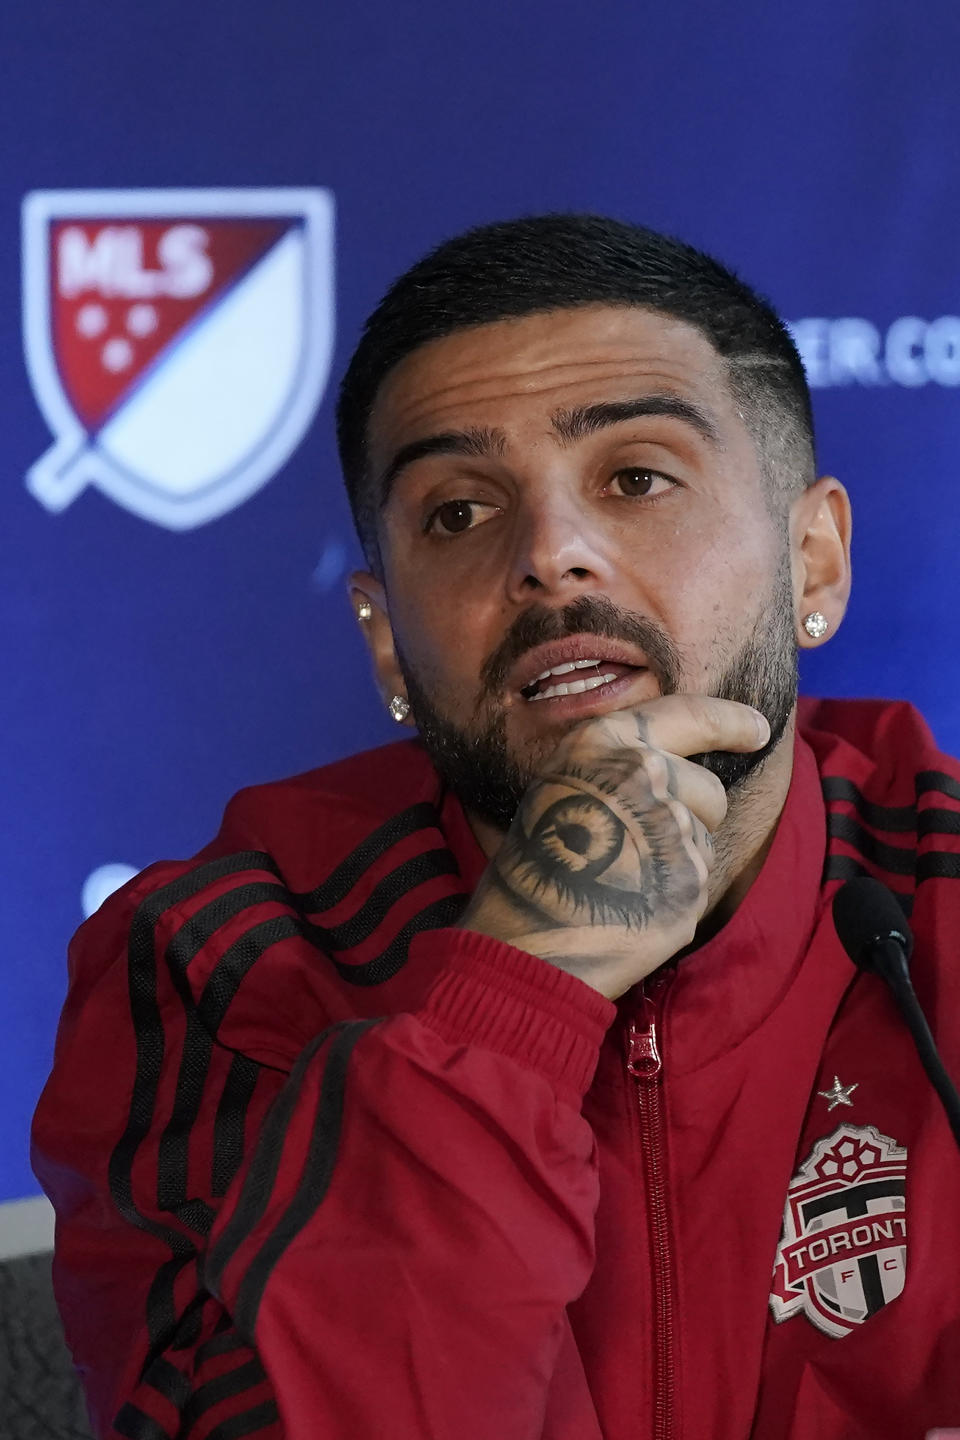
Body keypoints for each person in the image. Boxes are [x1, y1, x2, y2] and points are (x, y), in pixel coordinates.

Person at [33, 215, 960, 1440]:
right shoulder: (220, 965)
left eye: (636, 478)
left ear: (815, 564)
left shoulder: (939, 896)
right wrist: (521, 986)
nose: (552, 556)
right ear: (386, 644)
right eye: (459, 514)